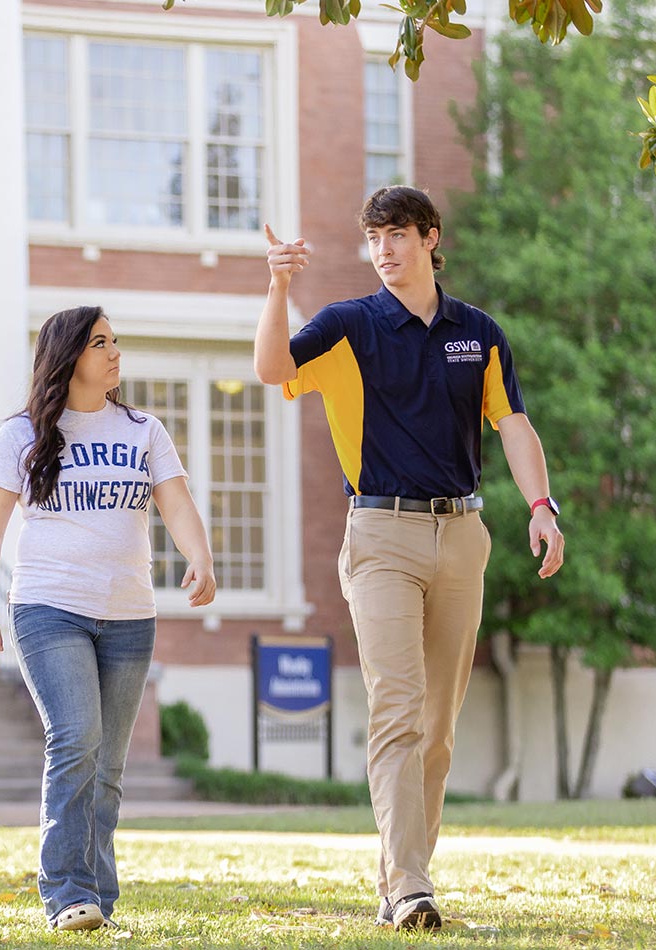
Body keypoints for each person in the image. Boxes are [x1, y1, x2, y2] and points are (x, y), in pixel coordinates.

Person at [254, 187, 565, 932]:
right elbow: (270, 369)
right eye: (374, 239)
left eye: (398, 235)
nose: (385, 251)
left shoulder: (478, 334)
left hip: (462, 536)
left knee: (439, 728)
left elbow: (514, 426)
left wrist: (543, 507)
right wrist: (278, 286)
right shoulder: (346, 327)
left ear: (431, 238)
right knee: (396, 708)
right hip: (381, 536)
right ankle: (413, 889)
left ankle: (400, 878)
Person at [0, 306, 216, 932]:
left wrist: (200, 557)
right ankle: (65, 891)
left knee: (108, 765)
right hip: (49, 608)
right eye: (101, 342)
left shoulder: (143, 430)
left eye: (115, 342)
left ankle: (97, 897)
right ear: (70, 355)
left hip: (130, 614)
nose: (115, 353)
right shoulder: (22, 434)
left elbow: (176, 503)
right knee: (76, 737)